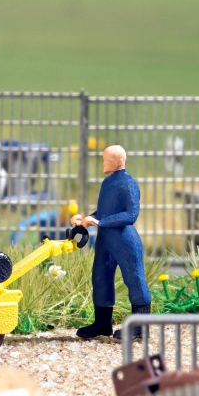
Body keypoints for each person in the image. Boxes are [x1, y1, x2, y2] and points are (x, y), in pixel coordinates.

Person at [72, 145, 151, 340]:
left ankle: (140, 327)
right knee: (100, 278)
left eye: (106, 160)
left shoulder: (128, 183)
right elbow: (103, 213)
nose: (103, 163)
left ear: (119, 161)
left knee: (134, 278)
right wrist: (85, 221)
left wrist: (100, 222)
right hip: (105, 240)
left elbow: (131, 215)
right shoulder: (107, 183)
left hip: (125, 240)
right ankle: (102, 323)